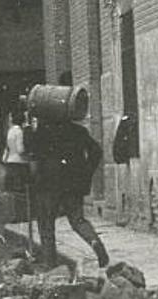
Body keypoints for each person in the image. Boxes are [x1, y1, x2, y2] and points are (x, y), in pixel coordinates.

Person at [27, 114, 109, 268]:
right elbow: (96, 152)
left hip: (48, 184)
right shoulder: (79, 131)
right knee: (78, 220)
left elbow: (34, 163)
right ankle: (95, 241)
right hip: (73, 182)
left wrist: (34, 180)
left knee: (46, 223)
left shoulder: (41, 133)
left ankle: (50, 263)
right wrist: (86, 171)